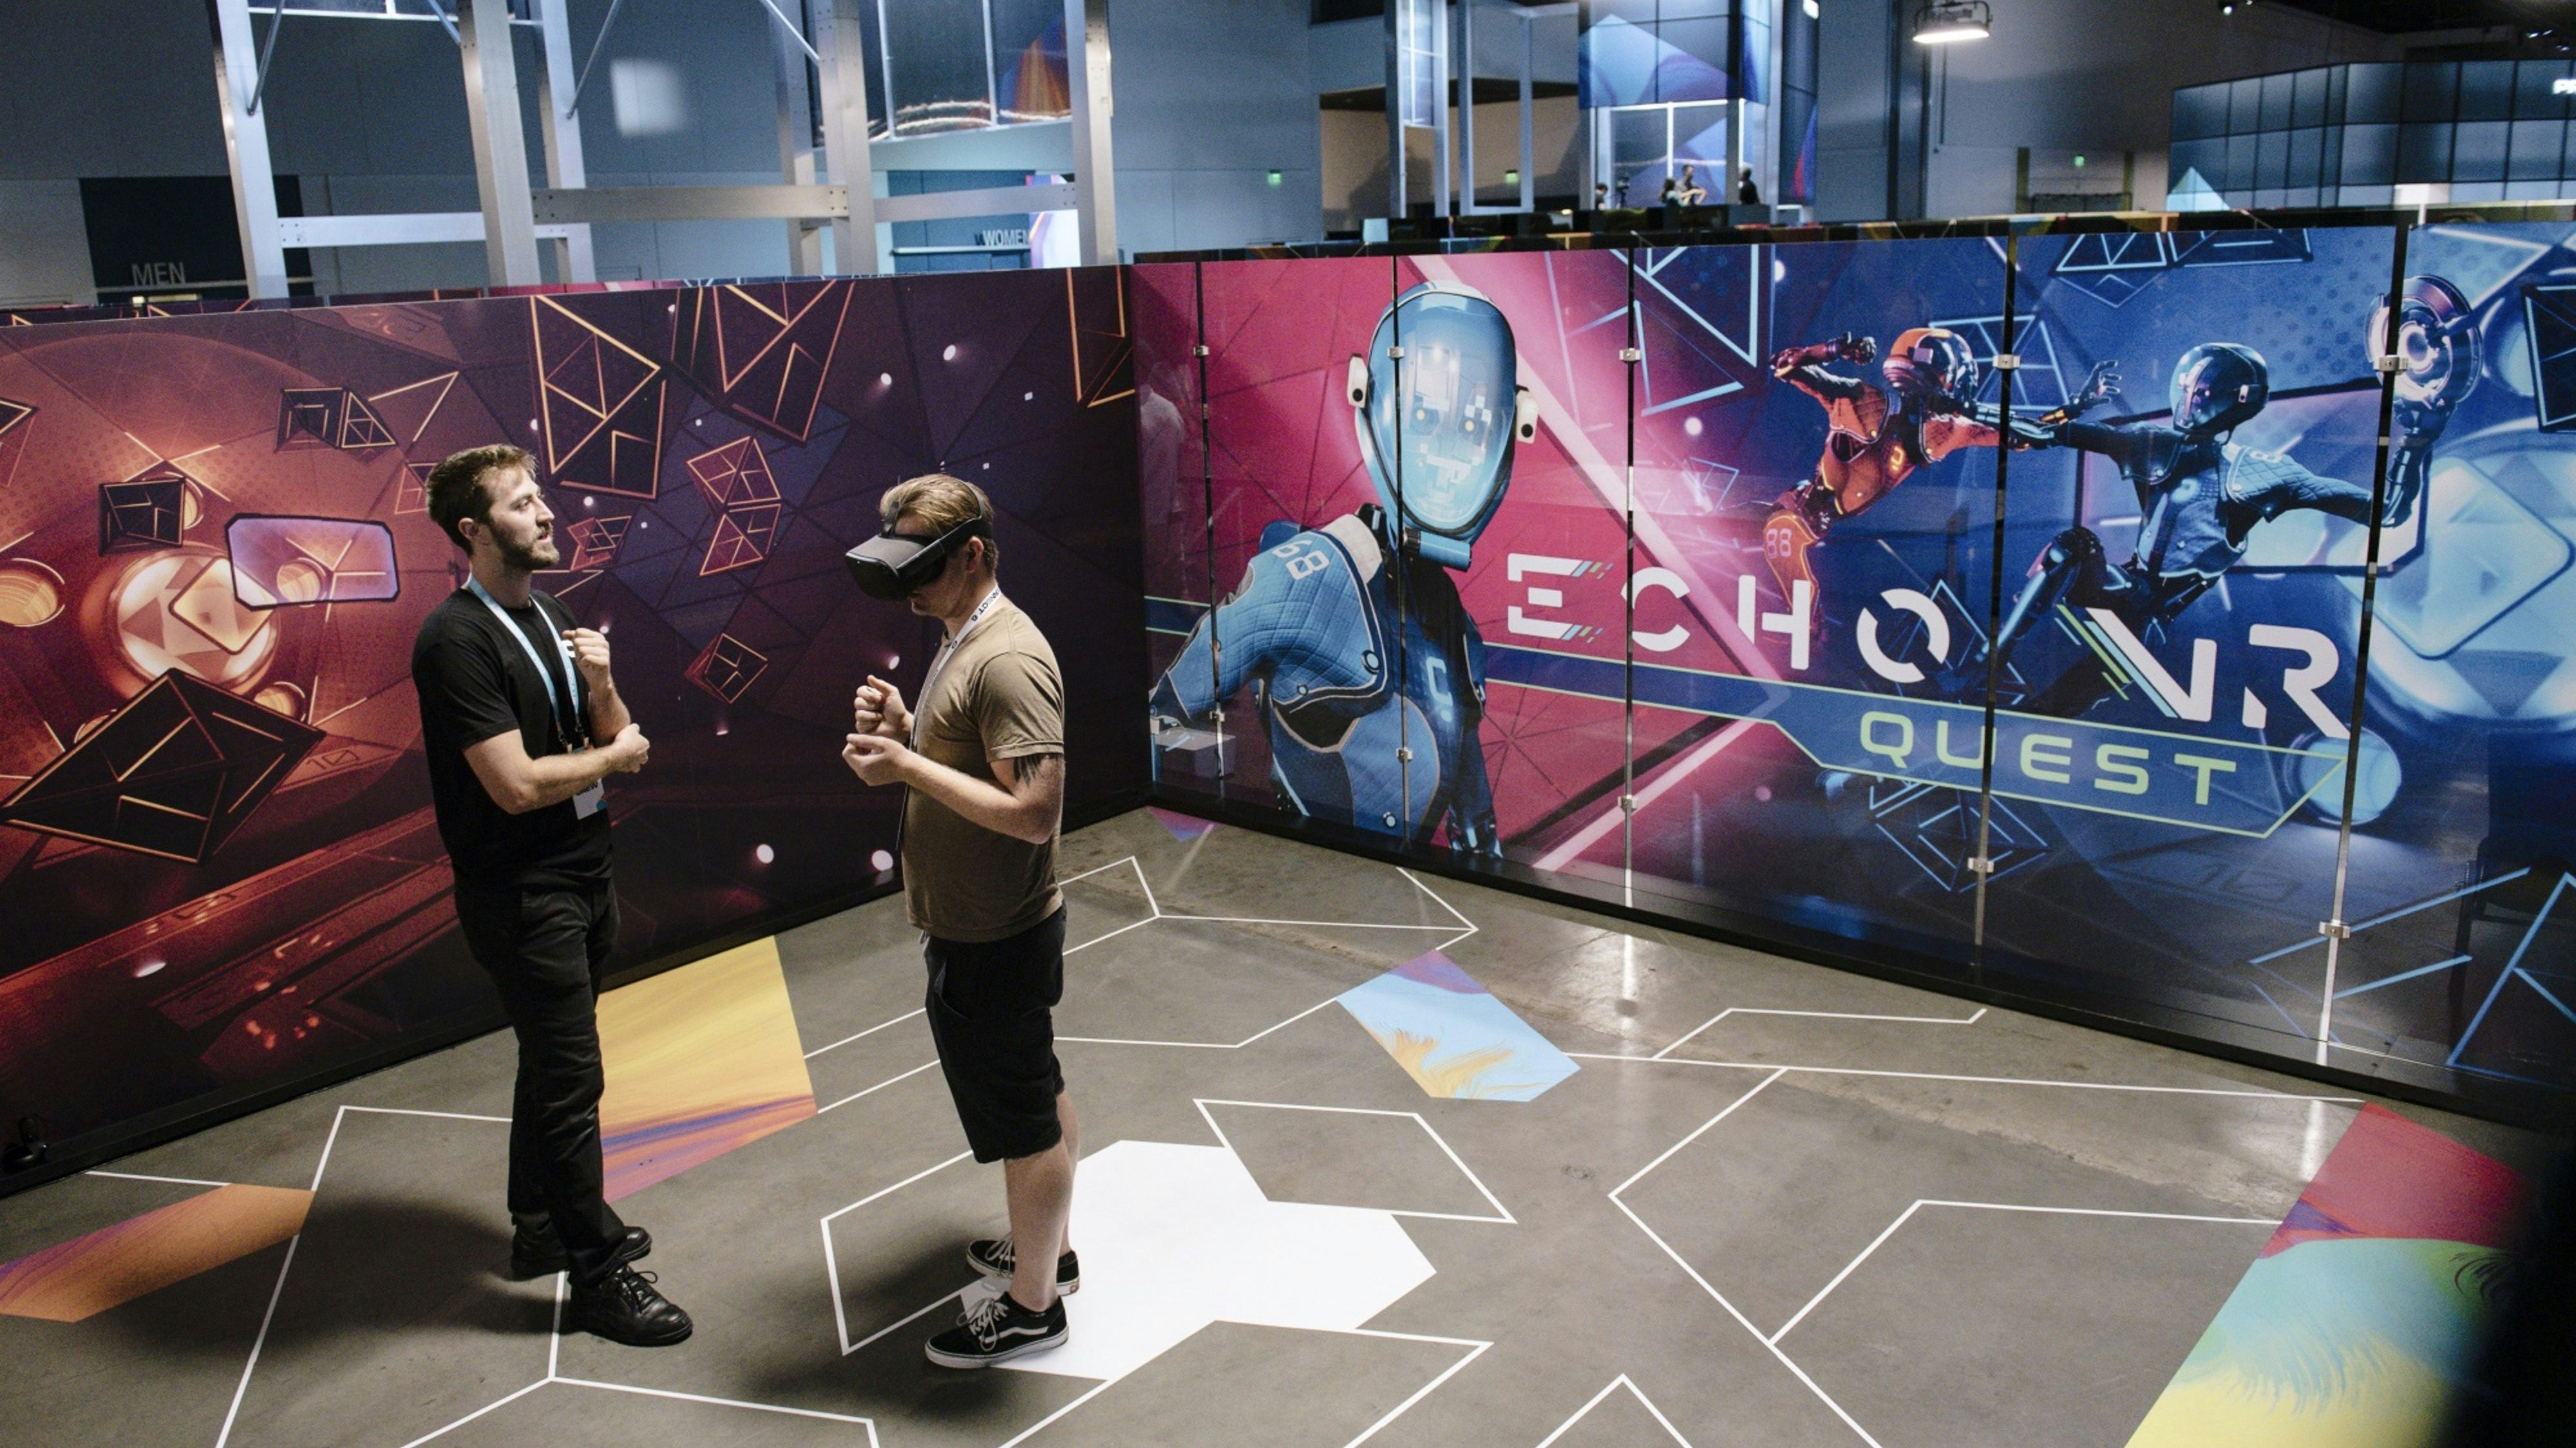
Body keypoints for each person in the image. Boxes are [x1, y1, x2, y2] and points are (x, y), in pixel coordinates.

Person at [412, 445, 689, 1346]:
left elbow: (616, 727)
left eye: (540, 498)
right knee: (574, 1078)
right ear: (473, 531)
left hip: (582, 869)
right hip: (523, 892)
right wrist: (612, 756)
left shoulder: (554, 612)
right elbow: (516, 783)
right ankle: (598, 1272)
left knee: (551, 1059)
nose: (546, 513)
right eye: (523, 503)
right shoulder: (455, 639)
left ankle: (540, 1226)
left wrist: (603, 685)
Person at [841, 475, 1079, 1368]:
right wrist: (914, 731)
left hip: (998, 936)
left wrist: (905, 765)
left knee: (1025, 1119)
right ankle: (1049, 1249)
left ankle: (1032, 1306)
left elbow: (1035, 811)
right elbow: (975, 753)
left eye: (925, 567)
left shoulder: (1008, 658)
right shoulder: (962, 634)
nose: (909, 586)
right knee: (1037, 1093)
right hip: (982, 928)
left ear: (973, 554)